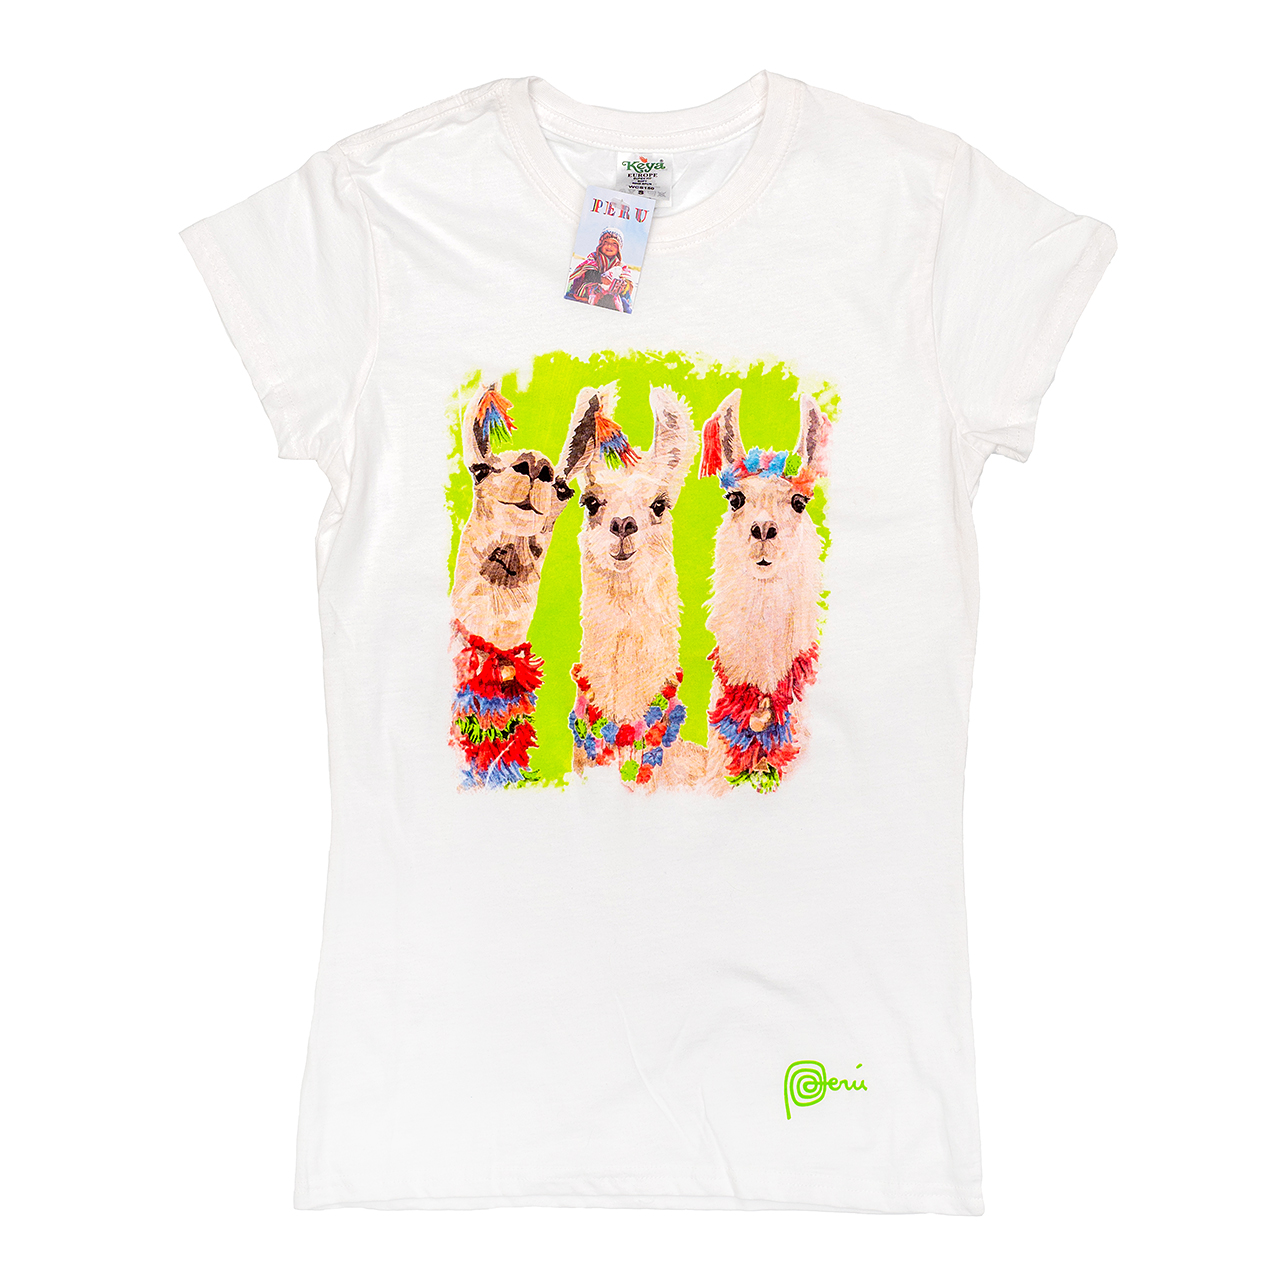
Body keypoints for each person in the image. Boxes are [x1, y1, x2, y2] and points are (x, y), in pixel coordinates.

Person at [565, 228, 633, 312]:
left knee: (623, 303)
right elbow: (587, 273)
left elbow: (627, 280)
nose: (609, 246)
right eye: (606, 242)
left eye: (614, 243)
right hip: (591, 288)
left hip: (611, 292)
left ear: (619, 247)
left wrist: (623, 285)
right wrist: (600, 278)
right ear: (600, 244)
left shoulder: (620, 264)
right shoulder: (594, 257)